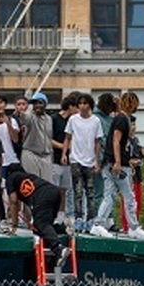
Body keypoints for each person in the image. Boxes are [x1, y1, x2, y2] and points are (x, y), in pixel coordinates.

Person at [92, 92, 144, 239]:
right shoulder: (122, 120)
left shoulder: (120, 118)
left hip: (111, 162)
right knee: (128, 197)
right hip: (117, 164)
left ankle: (98, 224)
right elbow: (116, 141)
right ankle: (133, 227)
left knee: (109, 196)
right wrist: (118, 161)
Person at [6, 166, 69, 266]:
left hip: (42, 197)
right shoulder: (29, 177)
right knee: (44, 227)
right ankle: (62, 229)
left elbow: (14, 201)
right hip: (54, 192)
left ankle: (58, 248)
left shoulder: (11, 178)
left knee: (41, 224)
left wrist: (14, 224)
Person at [61, 93, 103, 232]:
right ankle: (78, 218)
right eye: (80, 103)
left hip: (90, 160)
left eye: (85, 103)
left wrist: (97, 161)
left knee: (90, 191)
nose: (82, 106)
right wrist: (64, 154)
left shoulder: (95, 121)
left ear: (90, 105)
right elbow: (67, 137)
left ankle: (90, 219)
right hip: (75, 159)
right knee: (77, 191)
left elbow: (97, 142)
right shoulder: (73, 119)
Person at [52, 95, 77, 230]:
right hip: (55, 159)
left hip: (69, 161)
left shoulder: (73, 121)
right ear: (71, 106)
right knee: (54, 190)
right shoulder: (54, 119)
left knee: (64, 190)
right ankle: (52, 215)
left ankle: (61, 217)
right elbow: (49, 139)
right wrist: (63, 147)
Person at [18, 92, 55, 182]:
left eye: (40, 103)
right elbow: (24, 118)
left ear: (45, 104)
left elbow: (49, 138)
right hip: (31, 154)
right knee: (32, 184)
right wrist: (24, 110)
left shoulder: (49, 119)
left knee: (47, 184)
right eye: (34, 103)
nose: (37, 105)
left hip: (46, 156)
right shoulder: (31, 116)